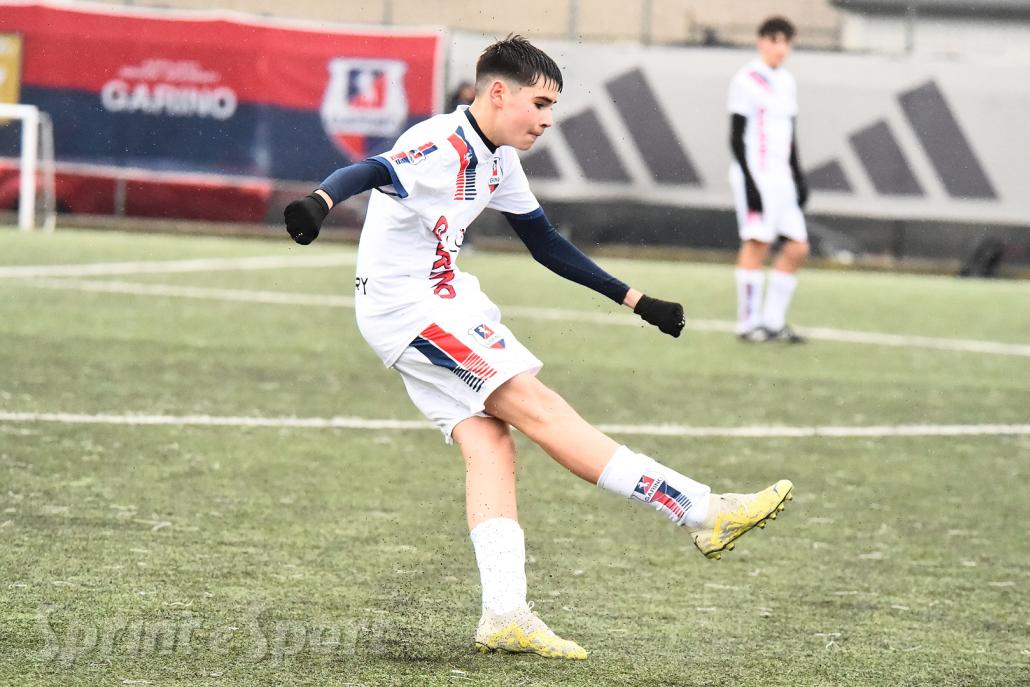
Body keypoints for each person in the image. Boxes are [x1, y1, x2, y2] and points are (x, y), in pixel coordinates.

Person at [284, 35, 794, 660]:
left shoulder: (499, 158)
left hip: (446, 300)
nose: (548, 119)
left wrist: (637, 301)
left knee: (491, 443)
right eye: (541, 103)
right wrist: (319, 201)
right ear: (498, 93)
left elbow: (545, 242)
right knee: (542, 410)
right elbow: (371, 171)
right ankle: (702, 512)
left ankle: (504, 615)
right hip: (410, 312)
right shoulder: (440, 143)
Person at [728, 16, 809, 343]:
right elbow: (736, 136)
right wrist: (750, 183)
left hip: (782, 178)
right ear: (760, 41)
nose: (781, 48)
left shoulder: (787, 81)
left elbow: (791, 133)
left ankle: (773, 322)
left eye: (786, 41)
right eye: (774, 40)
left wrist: (798, 176)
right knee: (757, 244)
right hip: (757, 176)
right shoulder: (746, 80)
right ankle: (748, 325)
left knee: (797, 248)